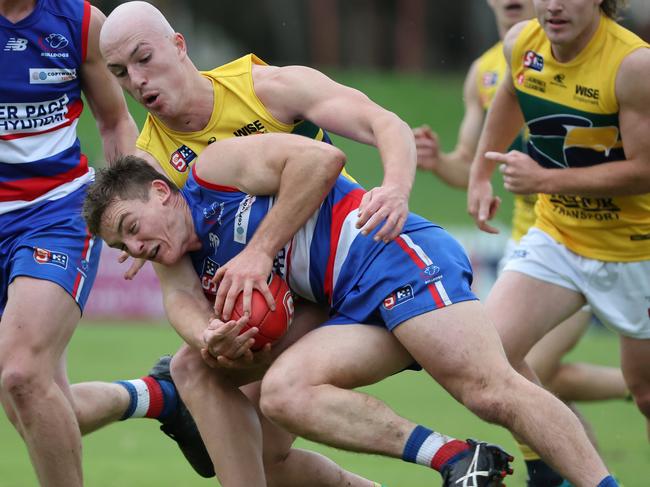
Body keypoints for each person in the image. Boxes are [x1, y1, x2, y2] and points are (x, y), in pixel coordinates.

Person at [86, 130, 619, 487]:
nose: (134, 249)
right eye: (122, 248)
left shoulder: (213, 172)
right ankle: (455, 457)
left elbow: (321, 158)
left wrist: (259, 250)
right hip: (351, 306)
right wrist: (211, 338)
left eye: (131, 229)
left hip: (392, 256)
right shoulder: (186, 266)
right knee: (283, 395)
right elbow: (180, 305)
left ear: (162, 192)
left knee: (490, 389)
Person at [67, 0, 417, 483]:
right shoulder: (146, 171)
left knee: (494, 381)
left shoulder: (263, 88)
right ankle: (165, 394)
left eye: (144, 58)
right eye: (120, 72)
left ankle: (159, 395)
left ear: (179, 45)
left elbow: (384, 123)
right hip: (278, 305)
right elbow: (179, 291)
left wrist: (396, 186)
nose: (136, 81)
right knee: (259, 456)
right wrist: (209, 333)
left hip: (350, 268)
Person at [413, 0, 628, 484]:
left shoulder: (620, 60)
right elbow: (471, 160)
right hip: (543, 242)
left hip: (620, 237)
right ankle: (561, 472)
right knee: (503, 363)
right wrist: (441, 163)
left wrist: (546, 179)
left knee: (539, 377)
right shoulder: (486, 70)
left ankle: (568, 463)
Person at [467, 0, 650, 476]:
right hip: (559, 236)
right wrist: (481, 171)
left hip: (638, 250)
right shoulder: (521, 43)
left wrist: (546, 180)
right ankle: (556, 473)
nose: (553, 5)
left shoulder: (633, 65)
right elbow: (511, 93)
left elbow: (645, 171)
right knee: (488, 355)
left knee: (647, 394)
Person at [0, 0, 138, 486]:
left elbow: (115, 121)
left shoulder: (79, 23)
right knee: (34, 405)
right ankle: (150, 397)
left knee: (20, 375)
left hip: (55, 212)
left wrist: (128, 209)